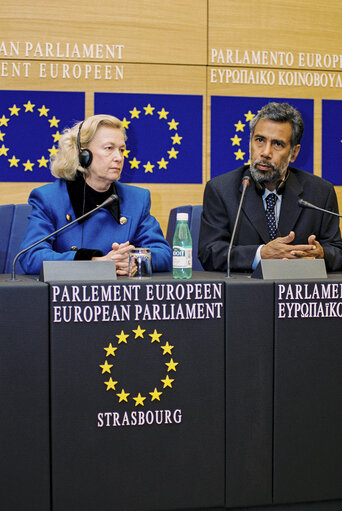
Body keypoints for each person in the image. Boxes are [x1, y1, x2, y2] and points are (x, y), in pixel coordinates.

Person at [19, 114, 172, 275]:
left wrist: (134, 259)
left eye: (121, 150)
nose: (119, 158)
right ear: (83, 155)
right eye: (109, 148)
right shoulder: (49, 198)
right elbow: (31, 256)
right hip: (68, 296)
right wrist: (94, 262)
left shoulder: (137, 199)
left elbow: (164, 253)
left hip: (119, 296)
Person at [198, 102, 342, 272]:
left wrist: (321, 255)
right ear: (250, 141)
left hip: (297, 293)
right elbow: (209, 252)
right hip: (245, 293)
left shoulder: (320, 192)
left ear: (294, 153)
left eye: (277, 144)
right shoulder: (221, 190)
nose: (265, 152)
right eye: (259, 140)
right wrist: (261, 254)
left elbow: (337, 250)